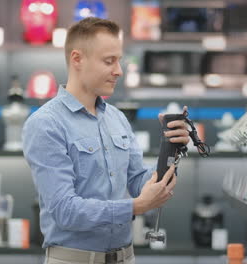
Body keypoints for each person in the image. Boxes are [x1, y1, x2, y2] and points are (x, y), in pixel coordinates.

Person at [23, 17, 190, 264]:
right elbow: (65, 211)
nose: (119, 71)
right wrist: (134, 207)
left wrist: (172, 149)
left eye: (119, 60)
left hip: (125, 257)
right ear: (77, 59)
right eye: (109, 61)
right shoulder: (46, 124)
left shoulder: (117, 118)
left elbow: (137, 183)